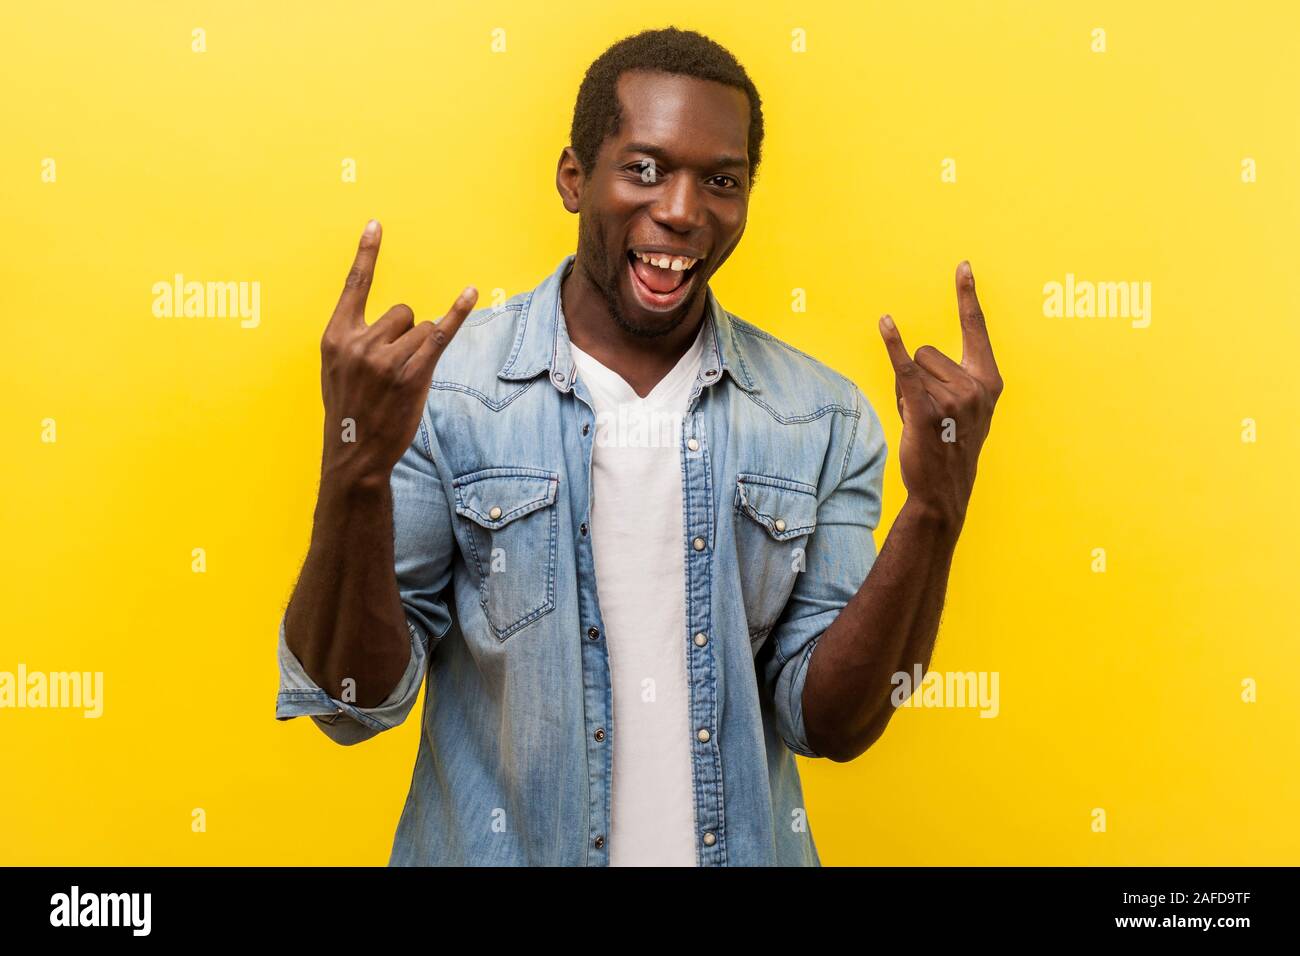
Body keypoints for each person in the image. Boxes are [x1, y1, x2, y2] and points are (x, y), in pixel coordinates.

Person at [275, 26, 1002, 866]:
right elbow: (350, 704)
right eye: (646, 168)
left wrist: (936, 510)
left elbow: (830, 725)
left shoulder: (822, 417)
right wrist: (353, 469)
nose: (684, 211)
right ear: (574, 178)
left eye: (721, 181)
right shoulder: (445, 394)